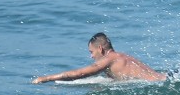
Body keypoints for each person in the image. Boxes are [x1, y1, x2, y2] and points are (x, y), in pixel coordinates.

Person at [31, 32, 168, 84]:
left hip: (157, 85)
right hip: (165, 78)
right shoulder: (123, 56)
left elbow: (79, 74)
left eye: (91, 52)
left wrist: (46, 78)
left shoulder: (109, 59)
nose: (91, 56)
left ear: (100, 49)